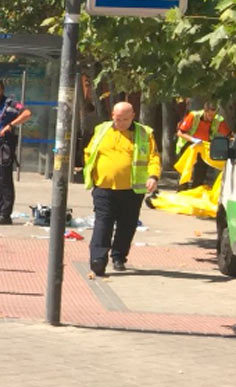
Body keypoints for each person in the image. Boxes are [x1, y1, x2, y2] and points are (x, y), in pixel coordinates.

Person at [83, 102, 161, 276]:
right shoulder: (101, 129)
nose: (122, 122)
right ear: (112, 115)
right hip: (104, 187)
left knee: (127, 225)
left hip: (132, 190)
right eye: (118, 119)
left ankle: (118, 256)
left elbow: (153, 157)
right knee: (103, 223)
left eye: (126, 119)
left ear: (133, 115)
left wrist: (153, 176)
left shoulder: (144, 133)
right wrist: (93, 172)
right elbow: (90, 151)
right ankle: (98, 259)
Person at [0, 79, 31, 225]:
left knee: (5, 180)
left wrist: (10, 125)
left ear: (2, 90)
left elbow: (27, 113)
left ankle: (6, 215)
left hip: (5, 145)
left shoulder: (10, 103)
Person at [175, 102, 229, 188]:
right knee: (185, 170)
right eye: (209, 115)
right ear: (205, 111)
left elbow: (229, 134)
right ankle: (182, 189)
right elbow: (180, 133)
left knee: (201, 171)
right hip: (188, 145)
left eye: (213, 115)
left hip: (204, 147)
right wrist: (193, 140)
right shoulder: (193, 116)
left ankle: (196, 190)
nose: (211, 118)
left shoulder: (218, 120)